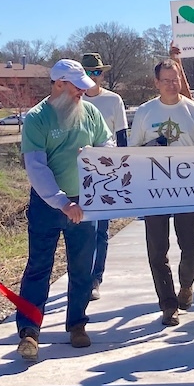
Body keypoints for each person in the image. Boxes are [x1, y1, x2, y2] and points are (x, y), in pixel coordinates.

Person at [16, 59, 112, 361]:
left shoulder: (90, 113)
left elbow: (108, 144)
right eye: (76, 87)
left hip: (85, 203)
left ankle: (77, 324)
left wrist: (96, 155)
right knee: (39, 267)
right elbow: (36, 167)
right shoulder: (37, 118)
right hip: (49, 204)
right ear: (58, 84)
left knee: (82, 267)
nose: (81, 92)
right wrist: (62, 202)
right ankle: (29, 331)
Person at [130, 59, 194, 326]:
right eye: (165, 80)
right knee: (157, 250)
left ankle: (186, 285)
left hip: (188, 190)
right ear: (156, 83)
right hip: (154, 191)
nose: (171, 84)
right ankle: (168, 304)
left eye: (174, 79)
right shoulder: (144, 112)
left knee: (191, 247)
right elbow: (132, 153)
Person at [80, 52, 129, 302]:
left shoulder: (113, 100)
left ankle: (95, 277)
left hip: (107, 172)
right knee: (81, 228)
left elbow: (122, 138)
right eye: (88, 72)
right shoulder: (73, 99)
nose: (93, 77)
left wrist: (121, 174)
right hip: (78, 172)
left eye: (97, 72)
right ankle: (80, 275)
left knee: (101, 228)